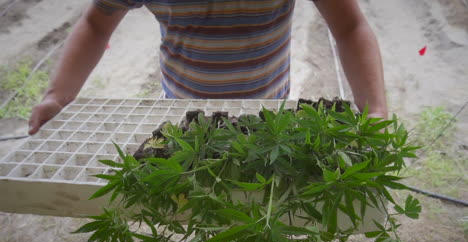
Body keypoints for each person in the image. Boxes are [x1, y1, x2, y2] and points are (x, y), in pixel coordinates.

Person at [28, 0, 388, 135]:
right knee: (201, 205)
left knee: (256, 219)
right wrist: (58, 96)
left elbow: (350, 27)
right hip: (184, 114)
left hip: (265, 117)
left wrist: (376, 110)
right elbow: (96, 24)